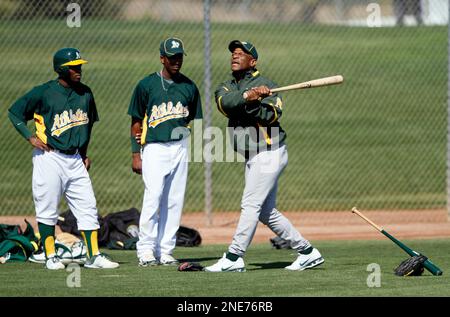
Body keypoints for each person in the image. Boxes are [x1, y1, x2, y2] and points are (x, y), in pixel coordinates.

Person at [205, 40, 324, 272]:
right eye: (233, 53)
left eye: (241, 53)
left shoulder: (268, 85)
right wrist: (249, 95)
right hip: (253, 155)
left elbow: (271, 116)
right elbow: (225, 104)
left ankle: (234, 257)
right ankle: (308, 252)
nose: (235, 56)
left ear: (253, 61)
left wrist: (257, 100)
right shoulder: (227, 86)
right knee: (266, 213)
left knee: (250, 204)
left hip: (269, 152)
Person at [7, 48, 119, 270]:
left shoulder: (86, 93)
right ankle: (50, 256)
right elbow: (15, 112)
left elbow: (86, 127)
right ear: (61, 69)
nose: (79, 70)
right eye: (73, 67)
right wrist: (30, 137)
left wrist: (84, 154)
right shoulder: (44, 92)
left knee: (87, 206)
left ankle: (93, 255)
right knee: (47, 206)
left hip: (75, 159)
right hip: (49, 158)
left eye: (79, 66)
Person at [128, 37, 203, 267]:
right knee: (153, 198)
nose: (176, 61)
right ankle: (146, 250)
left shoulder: (189, 87)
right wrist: (135, 153)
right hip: (154, 148)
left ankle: (166, 250)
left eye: (179, 56)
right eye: (171, 57)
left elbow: (193, 119)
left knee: (174, 201)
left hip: (179, 148)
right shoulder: (147, 85)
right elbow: (136, 120)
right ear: (162, 58)